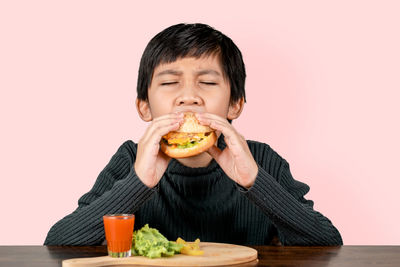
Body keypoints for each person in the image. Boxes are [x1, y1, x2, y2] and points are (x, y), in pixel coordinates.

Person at [44, 23, 342, 246]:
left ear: (235, 104)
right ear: (144, 107)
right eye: (170, 82)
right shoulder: (131, 159)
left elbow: (328, 243)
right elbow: (58, 243)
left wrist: (255, 180)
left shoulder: (261, 159)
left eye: (208, 83)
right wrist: (138, 183)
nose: (189, 97)